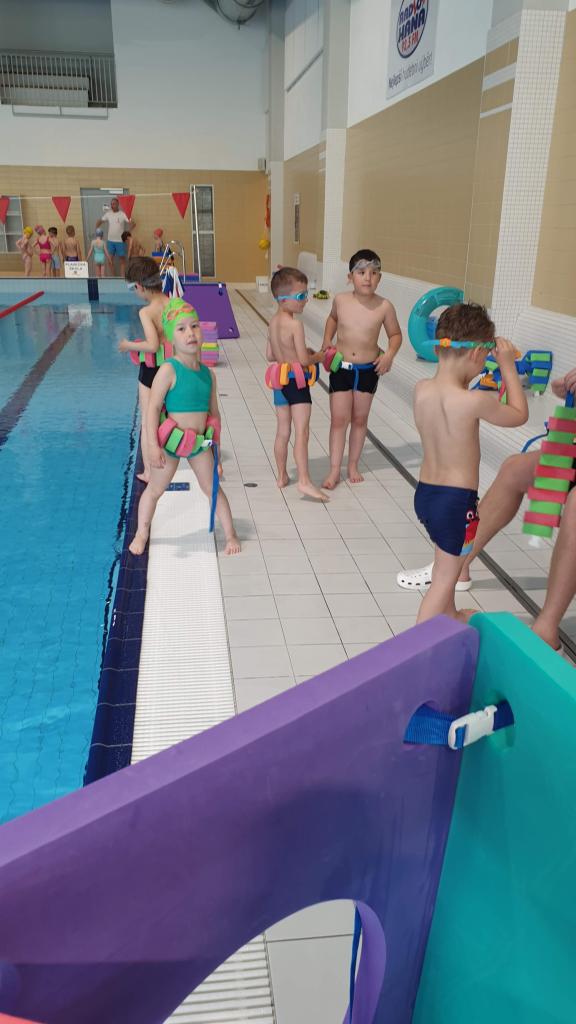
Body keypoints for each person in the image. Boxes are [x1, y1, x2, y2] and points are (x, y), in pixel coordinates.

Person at [401, 367, 576, 653]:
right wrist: (566, 387)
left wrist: (507, 367)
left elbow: (518, 414)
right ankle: (457, 566)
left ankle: (546, 626)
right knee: (513, 469)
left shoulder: (429, 389)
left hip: (434, 496)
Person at [412, 303, 528, 625]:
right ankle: (418, 645)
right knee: (444, 578)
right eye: (487, 356)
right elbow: (519, 414)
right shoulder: (473, 401)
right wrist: (507, 366)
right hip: (455, 501)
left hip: (426, 496)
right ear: (478, 353)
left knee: (445, 560)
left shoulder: (421, 390)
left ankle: (450, 613)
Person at [129, 297, 240, 557]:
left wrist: (216, 450)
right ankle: (141, 533)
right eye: (181, 329)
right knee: (155, 490)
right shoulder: (168, 370)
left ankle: (231, 534)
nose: (190, 333)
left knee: (213, 489)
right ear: (170, 337)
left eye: (194, 326)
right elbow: (152, 410)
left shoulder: (208, 375)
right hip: (170, 442)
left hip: (199, 444)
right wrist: (152, 446)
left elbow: (215, 416)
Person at [321, 249, 402, 489]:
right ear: (350, 277)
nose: (368, 277)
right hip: (342, 368)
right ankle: (334, 470)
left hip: (368, 370)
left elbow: (395, 335)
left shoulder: (384, 306)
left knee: (359, 419)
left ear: (380, 278)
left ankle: (353, 465)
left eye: (374, 273)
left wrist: (389, 355)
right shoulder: (341, 300)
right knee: (339, 419)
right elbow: (332, 319)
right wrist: (327, 339)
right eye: (362, 272)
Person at [266, 267, 328, 501]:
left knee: (283, 431)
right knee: (302, 432)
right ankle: (304, 480)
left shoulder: (273, 322)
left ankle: (281, 475)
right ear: (283, 299)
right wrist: (317, 356)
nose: (306, 300)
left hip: (280, 380)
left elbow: (270, 355)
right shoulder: (295, 325)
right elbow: (303, 361)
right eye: (301, 296)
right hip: (296, 382)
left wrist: (291, 352)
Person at [118, 257, 173, 483]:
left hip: (151, 371)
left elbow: (152, 345)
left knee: (148, 419)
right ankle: (170, 462)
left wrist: (128, 345)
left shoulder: (147, 312)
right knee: (169, 415)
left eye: (132, 289)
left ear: (139, 286)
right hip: (171, 368)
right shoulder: (174, 303)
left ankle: (150, 471)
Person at [96, 197, 134, 276]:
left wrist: (128, 232)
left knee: (122, 261)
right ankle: (114, 278)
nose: (112, 205)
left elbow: (133, 223)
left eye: (114, 204)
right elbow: (100, 221)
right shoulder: (108, 214)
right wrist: (97, 227)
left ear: (118, 204)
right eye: (111, 204)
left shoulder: (123, 214)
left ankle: (122, 278)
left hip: (120, 241)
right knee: (110, 260)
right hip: (110, 241)